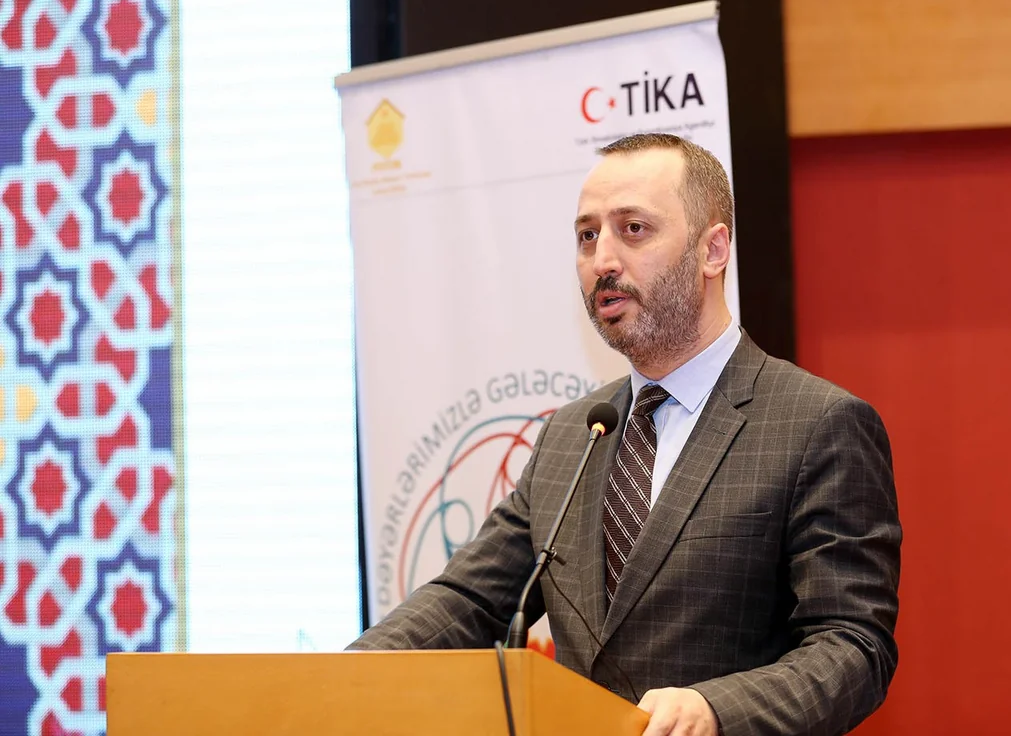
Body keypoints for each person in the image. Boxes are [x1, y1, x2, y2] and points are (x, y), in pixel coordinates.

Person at [349, 133, 902, 736]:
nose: (602, 261)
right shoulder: (572, 434)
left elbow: (853, 646)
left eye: (633, 229)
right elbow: (471, 601)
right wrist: (343, 676)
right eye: (587, 236)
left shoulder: (818, 424)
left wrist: (716, 709)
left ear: (713, 250)